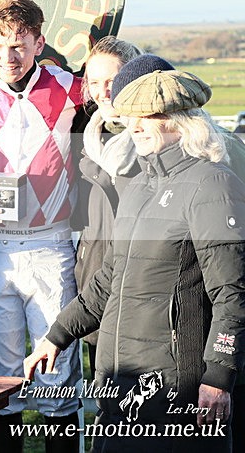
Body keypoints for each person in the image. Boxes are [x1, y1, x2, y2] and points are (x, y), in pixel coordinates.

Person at [24, 67, 245, 451]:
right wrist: (56, 336)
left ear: (183, 121)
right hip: (117, 382)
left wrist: (218, 377)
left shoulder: (213, 184)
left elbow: (232, 293)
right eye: (132, 117)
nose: (137, 126)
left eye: (150, 116)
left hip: (175, 390)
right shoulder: (139, 185)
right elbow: (108, 279)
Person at [0, 0, 83, 453]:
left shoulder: (69, 87)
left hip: (52, 245)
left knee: (59, 371)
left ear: (38, 43)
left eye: (18, 45)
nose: (8, 57)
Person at [73, 36, 143, 378]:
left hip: (145, 280)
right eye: (94, 82)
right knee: (106, 400)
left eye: (112, 81)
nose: (103, 91)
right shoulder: (88, 136)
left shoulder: (154, 137)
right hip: (97, 277)